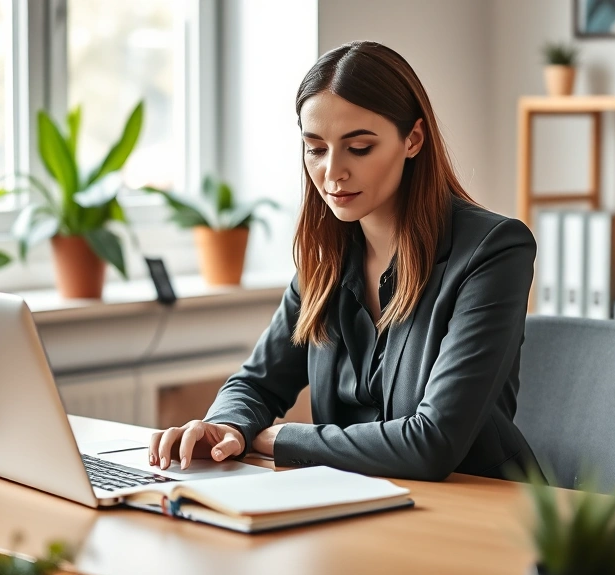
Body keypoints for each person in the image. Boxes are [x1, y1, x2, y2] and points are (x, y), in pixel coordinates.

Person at [148, 40, 540, 482]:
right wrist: (227, 426)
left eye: (359, 148)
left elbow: (433, 442)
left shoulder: (494, 250)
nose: (332, 173)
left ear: (412, 139)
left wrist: (282, 440)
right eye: (315, 148)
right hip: (355, 496)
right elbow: (256, 382)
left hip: (476, 508)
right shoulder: (327, 258)